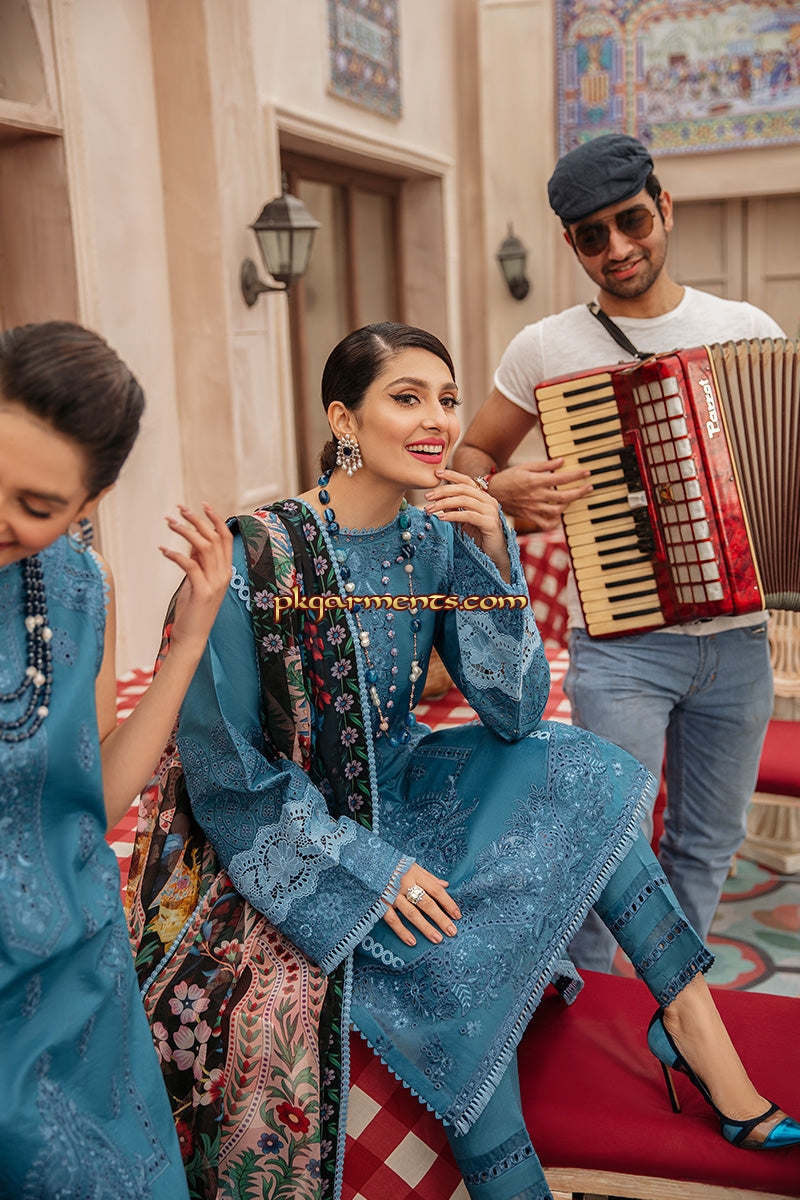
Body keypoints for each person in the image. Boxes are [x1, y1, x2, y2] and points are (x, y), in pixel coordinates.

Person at [127, 322, 798, 1200]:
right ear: (343, 419)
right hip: (293, 832)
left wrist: (491, 557)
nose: (439, 420)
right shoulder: (256, 556)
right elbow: (229, 780)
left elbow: (514, 712)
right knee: (446, 947)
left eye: (447, 399)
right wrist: (374, 870)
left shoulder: (433, 538)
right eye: (406, 398)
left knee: (575, 763)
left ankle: (689, 1016)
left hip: (407, 783)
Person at [453, 133, 785, 973]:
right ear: (571, 244)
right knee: (607, 846)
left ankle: (678, 1011)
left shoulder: (746, 329)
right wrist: (499, 491)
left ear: (664, 208)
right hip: (622, 648)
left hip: (739, 644)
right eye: (592, 235)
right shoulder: (543, 347)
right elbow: (467, 462)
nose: (617, 248)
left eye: (631, 221)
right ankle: (594, 1012)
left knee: (708, 844)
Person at [0, 320, 233, 1196]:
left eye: (37, 506)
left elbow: (91, 793)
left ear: (88, 503)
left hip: (77, 961)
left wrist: (192, 635)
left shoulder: (74, 585)